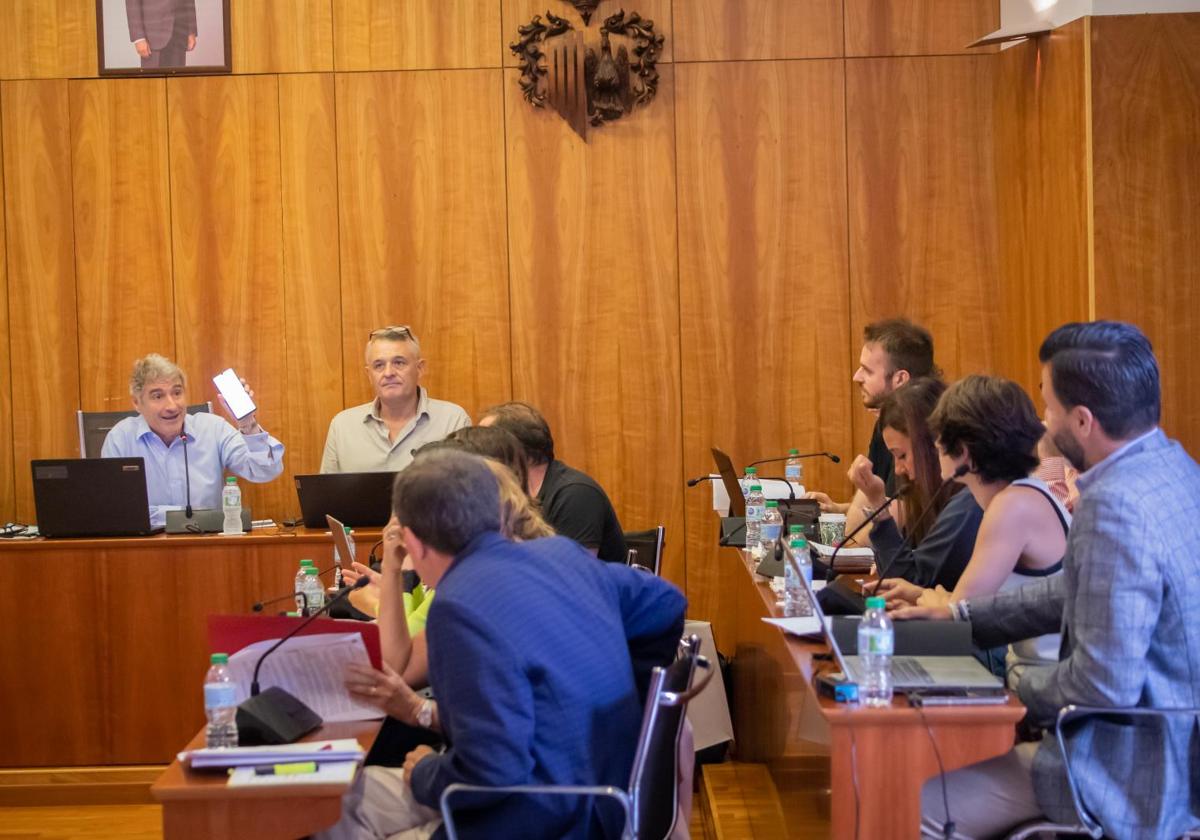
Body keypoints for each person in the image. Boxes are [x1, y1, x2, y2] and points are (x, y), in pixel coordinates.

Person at [907, 322, 1200, 839]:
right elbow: (1074, 589)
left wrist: (1011, 690)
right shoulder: (1176, 471)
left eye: (1048, 408)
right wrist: (957, 617)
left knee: (908, 806)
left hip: (1123, 770)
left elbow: (1101, 684)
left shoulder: (1115, 505)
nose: (1042, 424)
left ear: (1083, 420)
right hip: (1168, 753)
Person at [319, 450, 687, 839]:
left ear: (413, 541)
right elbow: (666, 603)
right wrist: (630, 703)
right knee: (346, 796)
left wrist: (428, 773)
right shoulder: (562, 554)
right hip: (611, 789)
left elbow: (492, 769)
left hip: (541, 818)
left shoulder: (458, 606)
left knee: (328, 809)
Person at [878, 376, 1070, 681]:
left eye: (939, 438)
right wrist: (925, 596)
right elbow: (963, 608)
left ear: (963, 451)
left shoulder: (1011, 507)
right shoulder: (1026, 493)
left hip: (1035, 683)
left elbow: (956, 620)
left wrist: (939, 601)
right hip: (1028, 671)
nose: (935, 446)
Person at [101, 353, 284, 530]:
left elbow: (265, 471)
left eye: (177, 392)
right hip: (145, 549)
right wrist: (184, 516)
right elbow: (114, 510)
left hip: (208, 545)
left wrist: (247, 423)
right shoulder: (121, 438)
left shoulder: (213, 429)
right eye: (158, 396)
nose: (172, 406)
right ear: (137, 403)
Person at [805, 318, 939, 538]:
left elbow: (900, 514)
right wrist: (839, 509)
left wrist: (845, 552)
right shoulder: (885, 425)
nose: (856, 377)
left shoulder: (927, 431)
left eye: (867, 370)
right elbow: (880, 503)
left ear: (900, 379)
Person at [846, 377, 981, 591]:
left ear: (931, 444)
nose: (898, 469)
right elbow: (901, 571)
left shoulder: (967, 503)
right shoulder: (936, 496)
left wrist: (877, 502)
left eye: (902, 455)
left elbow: (908, 582)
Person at [478, 401, 628, 562]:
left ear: (515, 451)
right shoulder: (507, 494)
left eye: (486, 444)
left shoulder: (577, 494)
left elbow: (574, 575)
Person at [320, 326, 469, 474]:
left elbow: (470, 490)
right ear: (369, 374)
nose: (389, 373)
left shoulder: (453, 421)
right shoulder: (342, 426)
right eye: (379, 365)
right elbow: (325, 495)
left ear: (420, 368)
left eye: (399, 363)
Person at [126, 0, 197, 69]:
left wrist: (191, 30)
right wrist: (139, 38)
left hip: (179, 30)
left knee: (177, 80)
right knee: (153, 80)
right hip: (153, 35)